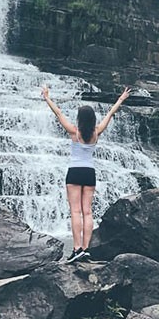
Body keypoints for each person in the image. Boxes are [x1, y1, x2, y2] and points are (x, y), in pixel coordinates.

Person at [41, 84, 132, 263]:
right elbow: (110, 114)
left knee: (75, 211)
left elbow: (58, 114)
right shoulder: (96, 132)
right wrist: (121, 99)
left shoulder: (75, 132)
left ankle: (76, 250)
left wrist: (47, 98)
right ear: (92, 119)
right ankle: (86, 248)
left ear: (80, 119)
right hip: (89, 173)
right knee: (87, 212)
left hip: (74, 172)